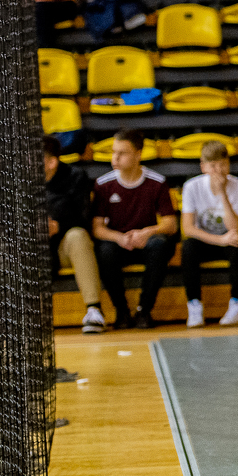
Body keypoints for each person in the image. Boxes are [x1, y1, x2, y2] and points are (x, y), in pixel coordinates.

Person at [92, 128, 178, 330]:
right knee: (104, 250)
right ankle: (121, 311)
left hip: (146, 242)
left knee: (160, 245)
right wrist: (119, 238)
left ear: (138, 154)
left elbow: (171, 224)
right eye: (114, 152)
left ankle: (144, 310)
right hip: (119, 243)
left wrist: (148, 232)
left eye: (122, 153)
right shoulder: (103, 184)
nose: (115, 158)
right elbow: (97, 228)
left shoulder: (157, 182)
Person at [181, 140, 238, 328]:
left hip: (229, 238)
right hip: (207, 240)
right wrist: (220, 240)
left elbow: (235, 227)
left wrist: (222, 194)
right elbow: (188, 228)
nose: (219, 170)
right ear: (203, 167)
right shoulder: (191, 187)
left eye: (223, 164)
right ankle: (194, 305)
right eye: (213, 166)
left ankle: (236, 304)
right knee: (188, 247)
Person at [43, 136, 104, 334]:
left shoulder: (76, 177)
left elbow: (84, 218)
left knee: (78, 235)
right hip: (34, 249)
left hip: (64, 248)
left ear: (52, 162)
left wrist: (57, 226)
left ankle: (94, 310)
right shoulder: (20, 182)